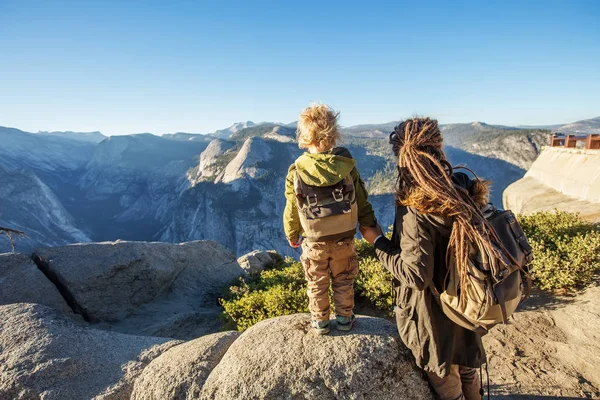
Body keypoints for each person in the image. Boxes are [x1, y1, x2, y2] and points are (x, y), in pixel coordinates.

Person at [361, 117, 492, 400]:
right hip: (467, 304)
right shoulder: (462, 187)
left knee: (449, 385)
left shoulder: (416, 207)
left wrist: (378, 242)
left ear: (401, 156)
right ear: (438, 147)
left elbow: (416, 275)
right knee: (468, 371)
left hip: (435, 318)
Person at [283, 103, 377, 335]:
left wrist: (292, 233)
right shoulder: (346, 167)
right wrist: (369, 224)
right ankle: (345, 319)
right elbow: (362, 201)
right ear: (334, 134)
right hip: (345, 238)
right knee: (344, 279)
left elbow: (292, 208)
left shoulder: (296, 171)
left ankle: (320, 321)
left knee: (317, 281)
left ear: (305, 136)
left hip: (314, 241)